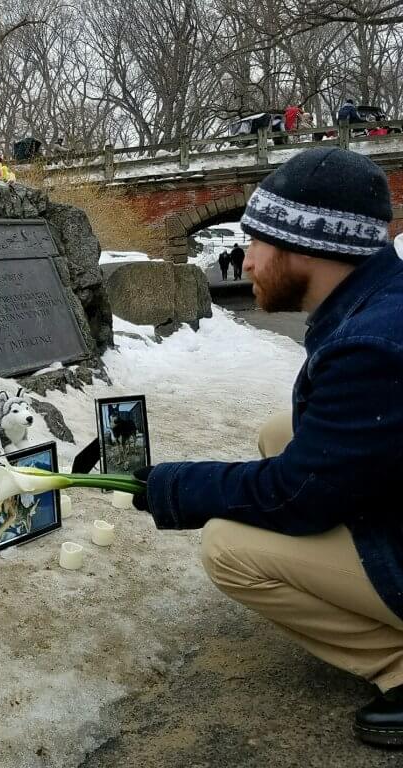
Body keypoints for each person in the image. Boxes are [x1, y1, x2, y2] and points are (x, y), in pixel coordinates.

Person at [132, 147, 403, 748]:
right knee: (282, 431)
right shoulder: (378, 299)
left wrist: (176, 486)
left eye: (255, 242)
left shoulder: (374, 343)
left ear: (307, 246)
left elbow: (295, 499)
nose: (244, 261)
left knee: (229, 547)